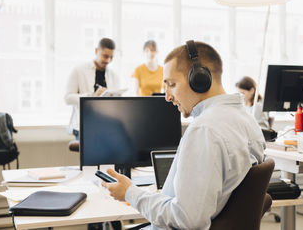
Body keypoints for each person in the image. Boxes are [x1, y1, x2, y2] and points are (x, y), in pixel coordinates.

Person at [102, 41, 266, 230]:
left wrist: (130, 193)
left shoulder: (205, 130)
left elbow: (188, 219)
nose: (167, 96)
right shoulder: (247, 120)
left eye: (171, 84)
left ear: (200, 79)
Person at [64, 38, 120, 139]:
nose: (108, 60)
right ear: (96, 51)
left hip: (106, 126)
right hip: (84, 126)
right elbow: (68, 98)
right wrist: (91, 96)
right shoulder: (79, 70)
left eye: (111, 57)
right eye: (105, 56)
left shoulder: (113, 76)